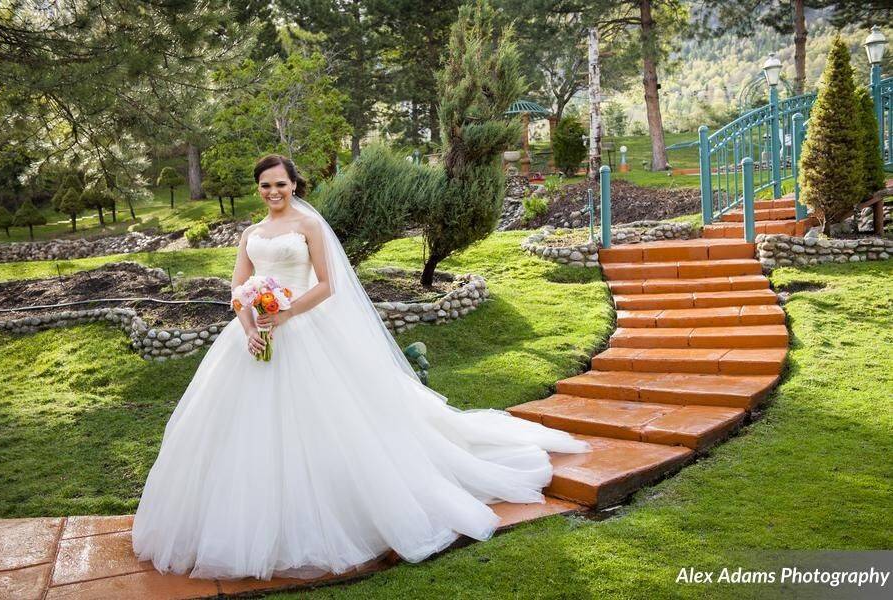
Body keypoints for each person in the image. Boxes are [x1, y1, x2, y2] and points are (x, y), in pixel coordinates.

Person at [131, 154, 592, 581]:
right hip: (252, 339)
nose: (273, 191)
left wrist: (287, 314)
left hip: (303, 328)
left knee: (325, 424)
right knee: (240, 430)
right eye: (266, 185)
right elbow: (238, 288)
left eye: (281, 184)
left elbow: (329, 285)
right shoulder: (251, 234)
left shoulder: (308, 224)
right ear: (258, 189)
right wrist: (251, 326)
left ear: (294, 184)